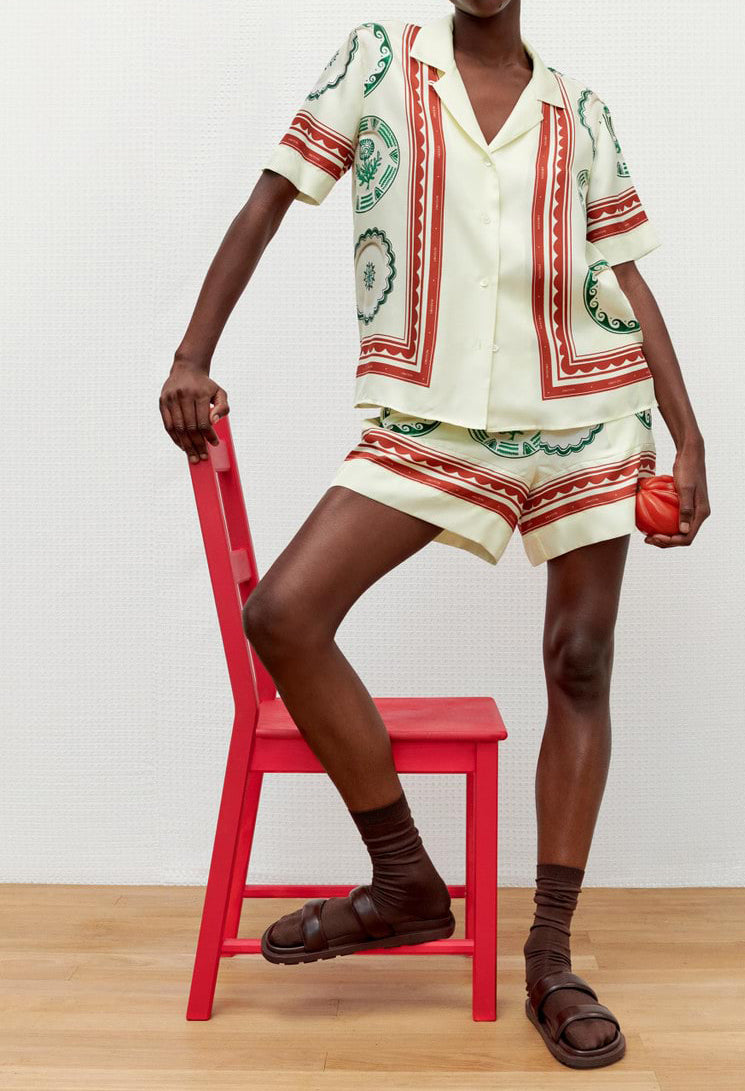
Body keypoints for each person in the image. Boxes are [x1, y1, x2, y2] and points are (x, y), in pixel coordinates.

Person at [159, 1, 709, 1071]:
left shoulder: (579, 112)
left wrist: (687, 439)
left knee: (579, 660)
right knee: (285, 612)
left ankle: (549, 955)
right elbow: (268, 202)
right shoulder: (377, 63)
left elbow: (627, 279)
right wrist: (191, 353)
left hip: (587, 413)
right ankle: (405, 877)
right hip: (430, 416)